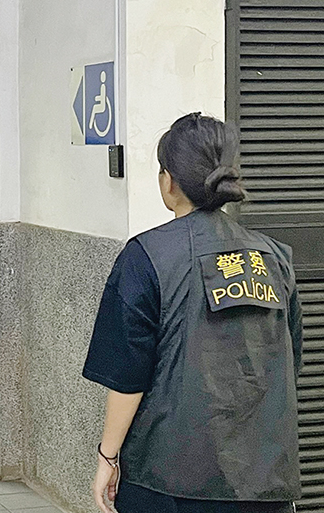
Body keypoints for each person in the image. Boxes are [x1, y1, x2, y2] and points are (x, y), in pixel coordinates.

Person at [83, 113, 302, 513]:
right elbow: (290, 361)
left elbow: (128, 378)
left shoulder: (145, 257)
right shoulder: (274, 258)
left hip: (168, 482)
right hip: (263, 482)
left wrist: (107, 456)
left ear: (168, 180)